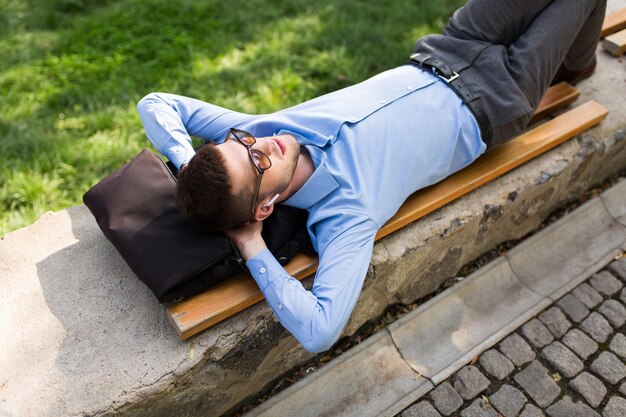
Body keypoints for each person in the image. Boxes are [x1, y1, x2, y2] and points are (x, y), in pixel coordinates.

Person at [137, 0, 606, 352]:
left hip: (451, 46)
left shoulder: (264, 135)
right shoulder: (345, 215)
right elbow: (319, 331)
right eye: (256, 162)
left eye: (239, 142)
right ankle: (579, 63)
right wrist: (251, 245)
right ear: (264, 208)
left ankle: (577, 57)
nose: (260, 144)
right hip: (498, 96)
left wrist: (184, 163)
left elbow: (156, 102)